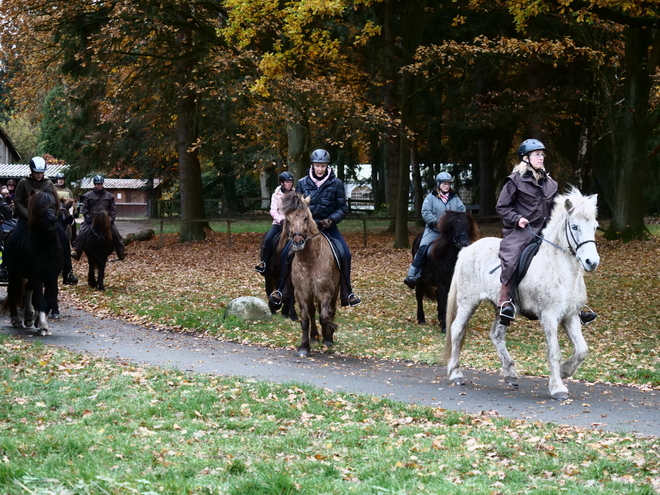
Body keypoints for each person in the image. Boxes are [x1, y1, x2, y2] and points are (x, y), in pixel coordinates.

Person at [496, 139, 596, 325]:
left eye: (542, 154)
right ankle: (506, 301)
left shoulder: (551, 183)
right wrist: (517, 219)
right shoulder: (514, 181)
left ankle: (576, 305)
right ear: (526, 158)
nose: (541, 158)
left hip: (545, 231)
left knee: (570, 254)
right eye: (537, 154)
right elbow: (502, 206)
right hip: (521, 231)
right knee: (512, 256)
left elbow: (554, 210)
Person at [269, 149, 361, 307]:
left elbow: (342, 208)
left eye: (323, 166)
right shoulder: (303, 182)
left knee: (345, 253)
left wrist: (331, 219)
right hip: (306, 227)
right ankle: (282, 290)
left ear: (327, 166)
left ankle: (347, 292)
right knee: (285, 253)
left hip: (328, 226)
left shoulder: (336, 183)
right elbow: (296, 206)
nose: (320, 169)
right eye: (317, 166)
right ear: (313, 165)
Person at [0, 157, 78, 285]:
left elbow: (56, 202)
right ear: (32, 170)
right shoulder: (23, 183)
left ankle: (68, 271)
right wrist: (29, 216)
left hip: (46, 220)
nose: (39, 175)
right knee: (14, 238)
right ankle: (5, 268)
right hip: (27, 220)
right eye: (37, 172)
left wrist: (53, 215)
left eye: (41, 172)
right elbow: (18, 202)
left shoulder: (48, 184)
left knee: (63, 237)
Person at [403, 172, 466, 288]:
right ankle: (413, 275)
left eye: (448, 184)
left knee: (465, 245)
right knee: (423, 248)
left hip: (451, 232)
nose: (446, 186)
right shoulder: (430, 198)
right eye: (444, 184)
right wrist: (438, 223)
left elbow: (462, 211)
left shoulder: (455, 198)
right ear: (438, 184)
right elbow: (425, 213)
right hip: (434, 231)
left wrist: (457, 223)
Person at [72, 175, 126, 261]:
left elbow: (113, 209)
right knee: (82, 232)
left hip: (106, 221)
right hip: (92, 220)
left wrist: (111, 220)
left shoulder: (109, 196)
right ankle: (77, 251)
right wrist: (87, 218)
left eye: (100, 184)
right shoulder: (88, 195)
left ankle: (121, 251)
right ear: (94, 184)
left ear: (103, 184)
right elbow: (85, 208)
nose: (99, 186)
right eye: (97, 184)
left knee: (116, 233)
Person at [255, 171, 295, 274]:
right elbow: (273, 210)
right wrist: (281, 219)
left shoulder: (295, 194)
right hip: (279, 223)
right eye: (287, 182)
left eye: (290, 182)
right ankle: (264, 263)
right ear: (282, 183)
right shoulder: (276, 195)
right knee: (268, 239)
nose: (289, 184)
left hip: (293, 223)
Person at [53, 172, 79, 244]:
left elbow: (73, 201)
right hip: (56, 210)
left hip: (66, 211)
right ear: (57, 180)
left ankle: (74, 241)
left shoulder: (68, 190)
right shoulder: (53, 189)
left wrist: (75, 211)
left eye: (62, 179)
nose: (61, 181)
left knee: (73, 223)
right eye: (59, 179)